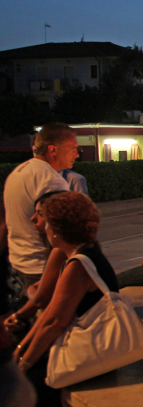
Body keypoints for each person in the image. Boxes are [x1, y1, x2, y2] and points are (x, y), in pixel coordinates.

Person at [12, 192, 118, 407]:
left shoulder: (78, 265)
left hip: (86, 352)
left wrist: (24, 362)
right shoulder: (83, 254)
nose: (43, 227)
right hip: (79, 345)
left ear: (57, 229)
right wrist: (20, 350)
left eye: (46, 222)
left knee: (14, 403)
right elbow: (49, 315)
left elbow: (54, 322)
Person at [4, 123, 75, 308]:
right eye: (73, 148)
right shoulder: (51, 180)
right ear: (53, 149)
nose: (76, 154)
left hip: (19, 263)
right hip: (41, 270)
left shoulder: (18, 173)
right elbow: (59, 234)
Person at [4, 193, 69, 341]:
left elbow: (42, 298)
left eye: (40, 214)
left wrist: (30, 289)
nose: (33, 218)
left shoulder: (62, 251)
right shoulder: (65, 249)